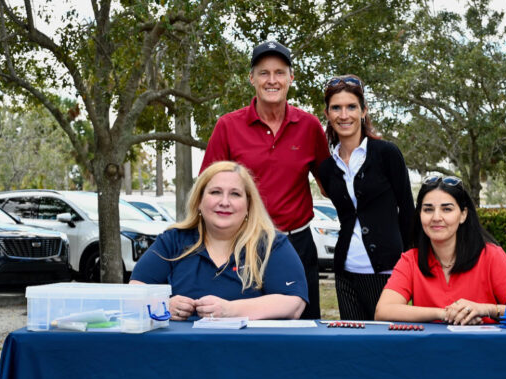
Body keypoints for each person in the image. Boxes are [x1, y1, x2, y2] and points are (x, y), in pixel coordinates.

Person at [199, 40, 330, 320]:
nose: (272, 80)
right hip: (244, 245)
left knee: (305, 330)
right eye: (264, 73)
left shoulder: (309, 126)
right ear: (252, 78)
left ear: (291, 78)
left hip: (297, 244)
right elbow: (206, 189)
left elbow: (329, 186)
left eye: (280, 72)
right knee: (244, 328)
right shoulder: (228, 126)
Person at [130, 161, 307, 321]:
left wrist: (230, 310)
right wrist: (162, 305)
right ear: (199, 201)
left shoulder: (271, 244)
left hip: (251, 351)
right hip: (181, 351)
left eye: (235, 194)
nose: (224, 202)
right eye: (215, 192)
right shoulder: (173, 240)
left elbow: (293, 304)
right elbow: (134, 292)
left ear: (248, 205)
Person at [316, 74, 414, 320]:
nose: (344, 115)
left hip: (389, 271)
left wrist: (412, 261)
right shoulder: (327, 168)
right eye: (336, 108)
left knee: (388, 344)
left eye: (351, 107)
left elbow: (408, 210)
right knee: (353, 347)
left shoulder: (386, 154)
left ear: (363, 111)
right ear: (327, 114)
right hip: (345, 273)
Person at [375, 175, 506, 324]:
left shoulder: (491, 255)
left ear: (463, 215)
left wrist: (485, 309)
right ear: (420, 215)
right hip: (431, 347)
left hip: (485, 346)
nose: (436, 217)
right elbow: (383, 311)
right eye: (428, 209)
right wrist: (444, 313)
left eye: (447, 209)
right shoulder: (411, 259)